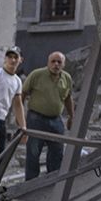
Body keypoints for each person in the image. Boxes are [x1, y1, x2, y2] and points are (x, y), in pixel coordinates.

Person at [22, 51, 75, 180]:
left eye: (59, 62)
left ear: (63, 64)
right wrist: (21, 118)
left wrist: (71, 116)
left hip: (55, 120)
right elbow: (22, 94)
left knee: (57, 152)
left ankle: (53, 182)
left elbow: (68, 98)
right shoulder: (37, 75)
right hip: (36, 119)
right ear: (48, 63)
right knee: (33, 152)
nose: (56, 64)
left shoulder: (66, 78)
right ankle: (31, 183)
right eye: (53, 61)